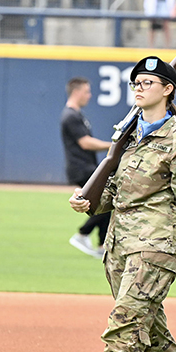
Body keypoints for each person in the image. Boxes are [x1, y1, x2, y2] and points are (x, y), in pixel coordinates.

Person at [63, 56, 176, 352]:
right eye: (136, 83)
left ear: (168, 89)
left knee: (125, 325)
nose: (139, 88)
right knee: (153, 334)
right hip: (119, 248)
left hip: (155, 249)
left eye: (148, 82)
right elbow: (114, 192)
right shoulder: (130, 138)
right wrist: (88, 201)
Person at [62, 78, 113, 258]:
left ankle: (101, 245)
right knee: (106, 201)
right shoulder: (71, 116)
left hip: (86, 166)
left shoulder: (77, 115)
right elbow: (85, 143)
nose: (89, 95)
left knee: (106, 201)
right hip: (81, 168)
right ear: (77, 92)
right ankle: (83, 234)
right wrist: (113, 146)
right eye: (87, 91)